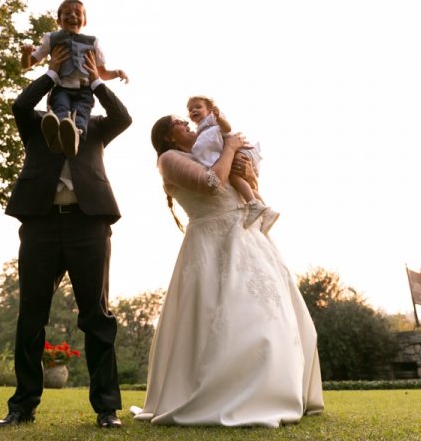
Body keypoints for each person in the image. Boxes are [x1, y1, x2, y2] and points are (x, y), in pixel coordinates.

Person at [132, 115, 324, 428]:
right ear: (168, 137)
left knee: (271, 314)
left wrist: (248, 172)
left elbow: (243, 192)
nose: (190, 125)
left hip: (248, 238)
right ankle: (230, 395)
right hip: (210, 244)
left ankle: (276, 391)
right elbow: (211, 184)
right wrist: (232, 146)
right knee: (227, 319)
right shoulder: (170, 159)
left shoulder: (209, 152)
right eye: (181, 123)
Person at [0, 44, 132, 430]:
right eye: (60, 96)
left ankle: (107, 409)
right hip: (41, 226)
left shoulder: (97, 128)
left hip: (90, 226)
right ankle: (22, 407)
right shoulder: (37, 124)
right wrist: (52, 74)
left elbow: (124, 116)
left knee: (97, 317)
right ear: (54, 98)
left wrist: (96, 82)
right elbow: (20, 106)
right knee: (31, 317)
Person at [22, 0, 128, 158]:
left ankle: (76, 135)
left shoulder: (93, 42)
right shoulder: (52, 39)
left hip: (84, 90)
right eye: (67, 13)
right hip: (61, 88)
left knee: (81, 114)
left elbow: (102, 73)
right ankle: (59, 132)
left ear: (84, 21)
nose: (73, 16)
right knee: (61, 108)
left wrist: (116, 73)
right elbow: (28, 64)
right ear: (58, 21)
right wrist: (26, 54)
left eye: (78, 13)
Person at [186, 95, 280, 234]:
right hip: (233, 152)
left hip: (239, 151)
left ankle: (254, 206)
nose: (194, 110)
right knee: (237, 181)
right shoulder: (200, 130)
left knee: (235, 178)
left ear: (210, 109)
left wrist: (219, 118)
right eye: (190, 109)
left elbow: (228, 128)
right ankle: (266, 211)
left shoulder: (212, 118)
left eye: (198, 107)